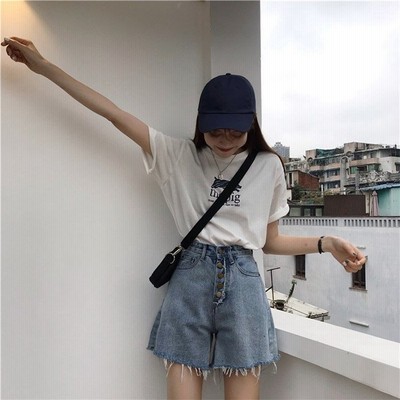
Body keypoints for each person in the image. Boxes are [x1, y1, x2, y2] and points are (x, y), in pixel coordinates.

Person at [2, 37, 366, 400]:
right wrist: (43, 66)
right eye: (215, 130)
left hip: (243, 286)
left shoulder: (268, 165)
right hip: (190, 280)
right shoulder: (178, 155)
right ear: (201, 122)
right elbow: (113, 114)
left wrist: (327, 243)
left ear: (250, 124)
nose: (225, 140)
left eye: (235, 131)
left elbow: (270, 242)